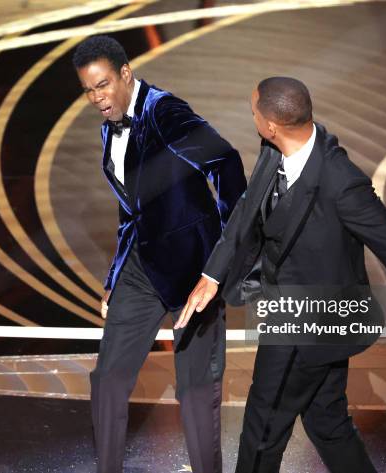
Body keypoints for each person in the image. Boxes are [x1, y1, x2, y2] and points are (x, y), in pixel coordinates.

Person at [177, 77, 386, 473]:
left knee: (262, 430)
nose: (254, 118)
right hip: (300, 314)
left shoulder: (341, 181)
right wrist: (212, 274)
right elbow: (247, 208)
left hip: (309, 322)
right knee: (327, 423)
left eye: (254, 111)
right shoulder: (273, 149)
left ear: (272, 124)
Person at [72, 36, 246, 473]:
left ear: (126, 73)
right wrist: (115, 275)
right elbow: (132, 209)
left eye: (104, 85)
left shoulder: (165, 112)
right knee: (108, 379)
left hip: (194, 272)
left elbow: (225, 164)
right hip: (141, 269)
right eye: (89, 90)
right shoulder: (108, 125)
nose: (97, 98)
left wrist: (221, 263)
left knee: (194, 389)